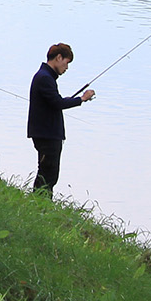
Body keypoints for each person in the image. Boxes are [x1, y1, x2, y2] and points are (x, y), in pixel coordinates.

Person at [26, 43, 93, 193]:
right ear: (58, 57)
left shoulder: (46, 76)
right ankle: (39, 204)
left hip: (47, 133)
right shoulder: (44, 78)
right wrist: (81, 99)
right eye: (66, 62)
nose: (67, 68)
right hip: (46, 134)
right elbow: (57, 102)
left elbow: (55, 101)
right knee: (48, 174)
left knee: (49, 173)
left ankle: (41, 205)